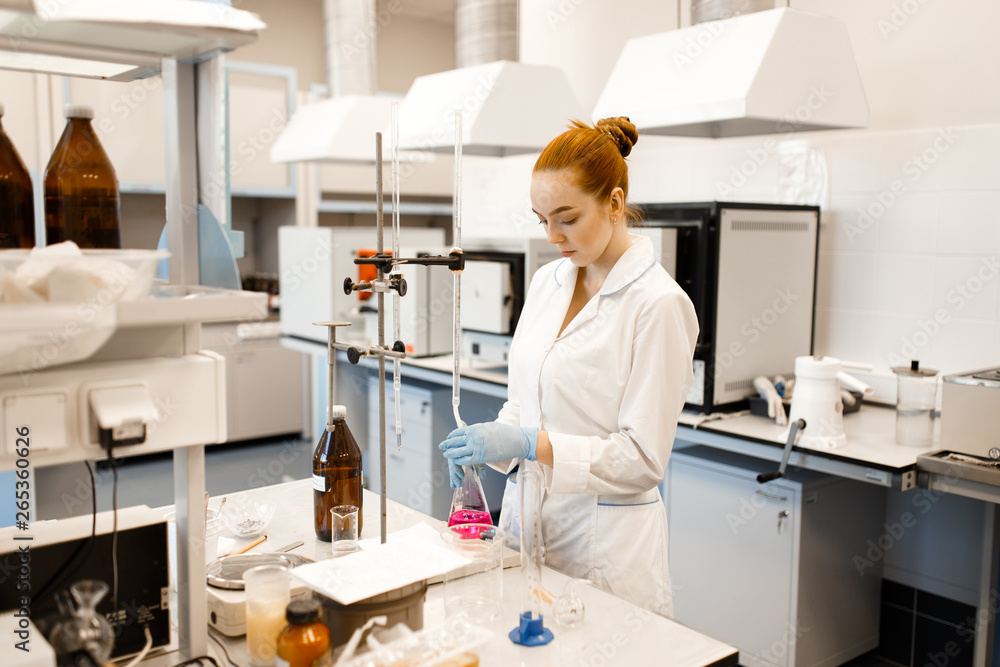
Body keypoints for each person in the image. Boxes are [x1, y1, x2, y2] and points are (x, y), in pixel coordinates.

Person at [439, 117, 699, 618]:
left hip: (605, 550)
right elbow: (525, 400)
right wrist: (491, 440)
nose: (553, 234)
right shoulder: (546, 282)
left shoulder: (659, 304)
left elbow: (643, 459)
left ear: (615, 203)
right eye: (541, 219)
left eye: (567, 217)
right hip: (527, 529)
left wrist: (528, 444)